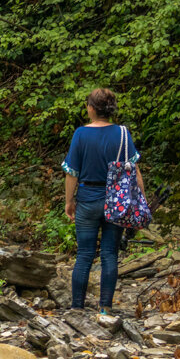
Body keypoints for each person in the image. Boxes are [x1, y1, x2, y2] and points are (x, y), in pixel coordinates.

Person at [61, 88, 146, 313]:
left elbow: (72, 172)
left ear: (90, 108)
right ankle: (105, 308)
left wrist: (69, 201)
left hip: (88, 199)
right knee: (110, 253)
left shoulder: (80, 134)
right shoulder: (122, 134)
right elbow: (135, 171)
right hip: (116, 201)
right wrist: (141, 200)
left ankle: (77, 308)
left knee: (85, 254)